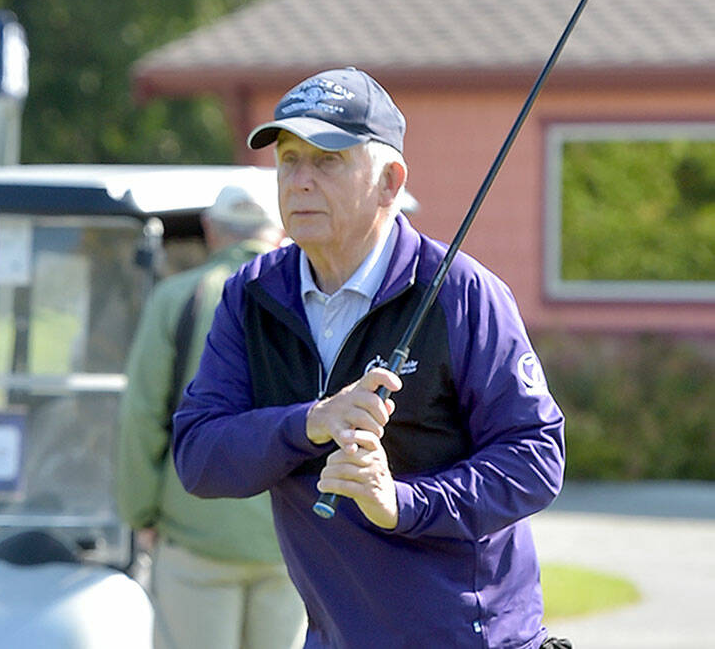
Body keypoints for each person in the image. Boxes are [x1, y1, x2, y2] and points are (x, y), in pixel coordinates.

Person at [172, 67, 567, 648]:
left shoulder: (462, 293)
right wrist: (309, 421)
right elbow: (198, 456)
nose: (300, 181)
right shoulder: (250, 294)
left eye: (328, 160)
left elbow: (535, 459)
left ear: (389, 181)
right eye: (288, 160)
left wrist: (402, 504)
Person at [116, 182, 306, 649]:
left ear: (210, 230)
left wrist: (140, 511)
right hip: (291, 541)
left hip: (193, 532)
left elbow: (142, 416)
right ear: (279, 231)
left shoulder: (176, 297)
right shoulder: (311, 302)